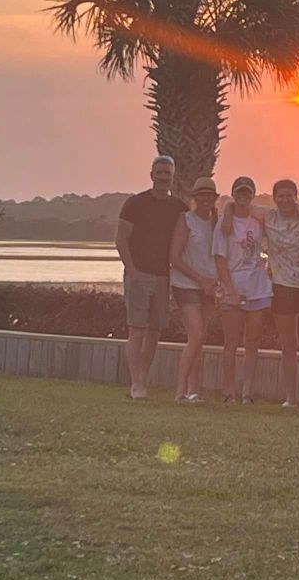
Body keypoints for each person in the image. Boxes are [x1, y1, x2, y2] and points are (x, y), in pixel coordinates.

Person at [226, 179, 299, 409]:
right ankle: (290, 398)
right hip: (282, 286)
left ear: (296, 196)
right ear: (275, 198)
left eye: (289, 195)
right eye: (281, 196)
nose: (285, 200)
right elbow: (238, 203)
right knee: (288, 346)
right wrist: (227, 214)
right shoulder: (269, 217)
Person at [115, 156, 187, 400]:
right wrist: (132, 271)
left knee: (155, 331)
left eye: (167, 173)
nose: (163, 177)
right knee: (137, 330)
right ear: (152, 175)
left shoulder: (178, 207)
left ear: (173, 177)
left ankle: (142, 379)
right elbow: (121, 239)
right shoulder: (135, 203)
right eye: (160, 173)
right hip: (139, 275)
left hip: (163, 277)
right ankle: (136, 384)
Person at [212, 176, 272, 404]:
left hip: (258, 288)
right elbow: (219, 260)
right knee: (231, 342)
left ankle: (247, 391)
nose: (243, 196)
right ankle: (229, 391)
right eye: (239, 192)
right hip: (233, 288)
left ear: (253, 194)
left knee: (252, 342)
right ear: (234, 193)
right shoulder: (224, 224)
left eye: (248, 192)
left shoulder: (258, 220)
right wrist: (230, 290)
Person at [169, 177, 220, 403]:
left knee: (199, 339)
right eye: (201, 195)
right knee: (197, 334)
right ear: (195, 197)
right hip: (186, 284)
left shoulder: (217, 223)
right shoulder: (186, 220)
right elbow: (174, 257)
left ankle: (193, 391)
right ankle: (180, 391)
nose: (206, 199)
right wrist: (200, 279)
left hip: (209, 288)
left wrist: (214, 282)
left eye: (210, 195)